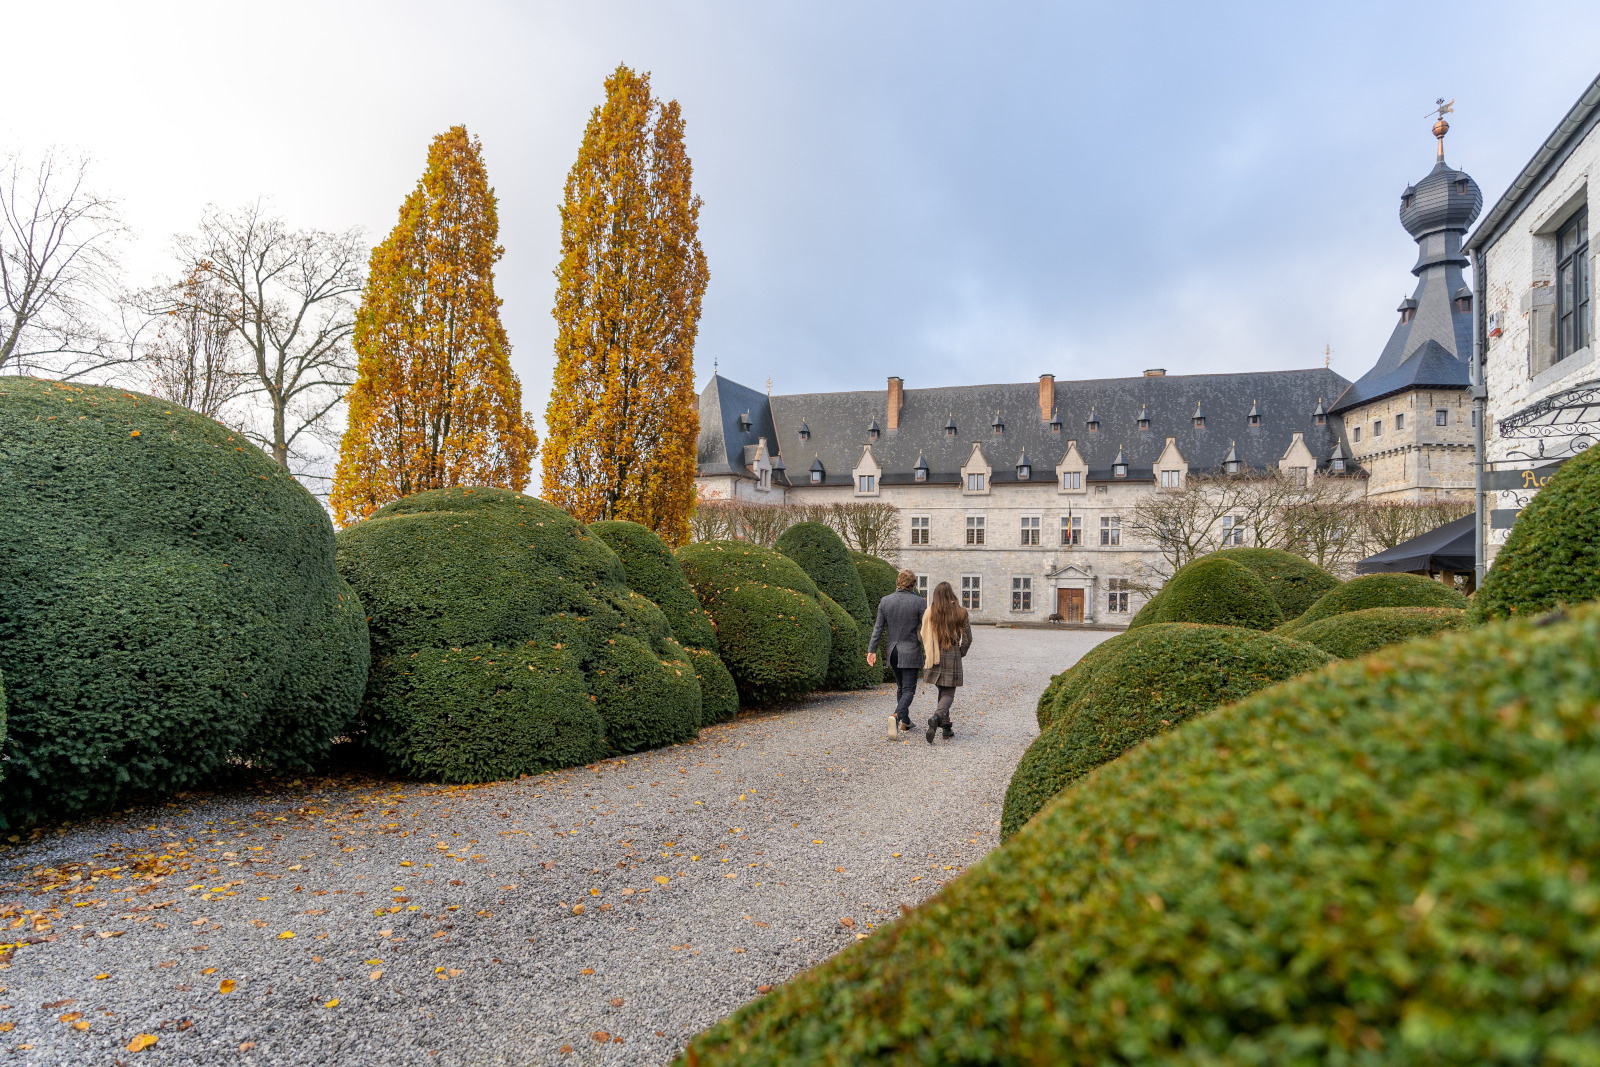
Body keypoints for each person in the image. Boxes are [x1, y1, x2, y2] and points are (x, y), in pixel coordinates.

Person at [867, 569, 927, 737]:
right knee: (909, 689)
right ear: (913, 584)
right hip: (910, 651)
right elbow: (925, 631)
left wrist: (872, 650)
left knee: (901, 687)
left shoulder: (886, 601)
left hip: (893, 650)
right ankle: (896, 716)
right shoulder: (920, 603)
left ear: (898, 582)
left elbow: (878, 629)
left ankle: (906, 722)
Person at [918, 581, 972, 744]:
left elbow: (921, 635)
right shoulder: (961, 612)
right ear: (951, 594)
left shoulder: (930, 612)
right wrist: (960, 653)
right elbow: (968, 638)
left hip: (935, 653)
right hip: (952, 653)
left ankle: (946, 727)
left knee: (943, 690)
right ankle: (936, 717)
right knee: (948, 693)